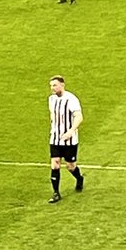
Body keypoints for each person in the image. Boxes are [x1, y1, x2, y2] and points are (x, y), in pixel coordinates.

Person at [47, 75, 83, 204]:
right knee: (55, 163)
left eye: (55, 85)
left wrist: (71, 131)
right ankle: (56, 193)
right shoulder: (51, 99)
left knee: (70, 166)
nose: (52, 88)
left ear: (62, 85)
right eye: (51, 85)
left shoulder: (71, 99)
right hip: (55, 138)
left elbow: (79, 116)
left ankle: (79, 179)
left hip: (69, 140)